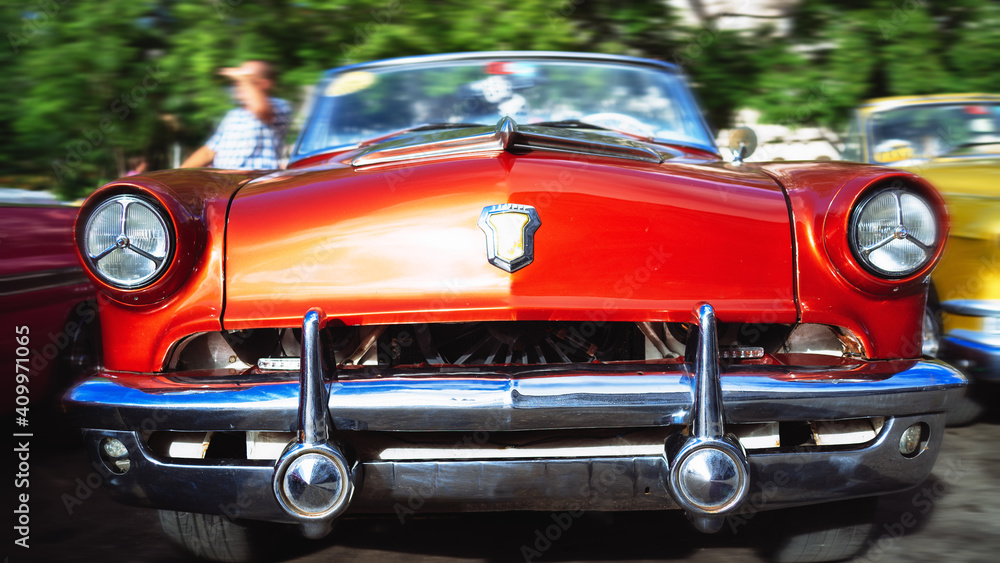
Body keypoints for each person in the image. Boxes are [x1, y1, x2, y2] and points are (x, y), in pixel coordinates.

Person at [180, 60, 291, 170]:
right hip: (226, 183)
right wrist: (175, 175)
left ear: (264, 84)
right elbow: (209, 151)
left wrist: (243, 79)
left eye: (247, 79)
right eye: (238, 80)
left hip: (257, 183)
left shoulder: (278, 106)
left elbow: (260, 109)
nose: (237, 83)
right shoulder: (233, 115)